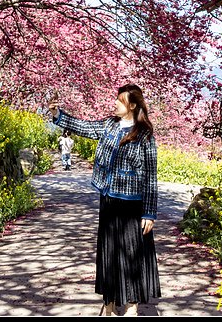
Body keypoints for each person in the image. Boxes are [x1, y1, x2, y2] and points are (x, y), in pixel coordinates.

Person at [49, 84, 161, 317]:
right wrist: (57, 115)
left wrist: (149, 213)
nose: (115, 104)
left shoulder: (145, 135)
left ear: (132, 105)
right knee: (109, 253)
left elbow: (151, 177)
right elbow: (83, 127)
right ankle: (109, 302)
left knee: (131, 255)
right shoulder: (109, 125)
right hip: (109, 200)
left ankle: (132, 305)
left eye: (120, 101)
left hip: (133, 204)